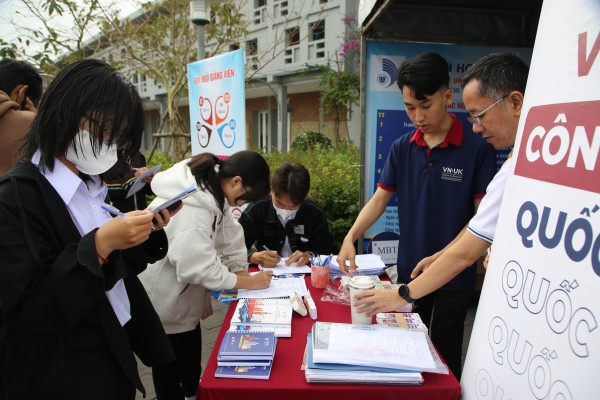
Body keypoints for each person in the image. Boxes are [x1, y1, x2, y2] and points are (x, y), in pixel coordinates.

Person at [0, 59, 177, 400]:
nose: (110, 142)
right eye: (104, 127)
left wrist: (142, 232)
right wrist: (99, 244)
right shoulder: (14, 197)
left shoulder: (92, 184)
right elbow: (29, 309)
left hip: (115, 350)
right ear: (63, 110)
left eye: (119, 133)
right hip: (65, 373)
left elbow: (115, 270)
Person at [351, 52, 529, 374]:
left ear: (447, 96)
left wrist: (408, 289)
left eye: (426, 105)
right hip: (414, 266)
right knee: (405, 349)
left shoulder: (480, 151)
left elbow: (478, 225)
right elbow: (379, 199)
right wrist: (351, 237)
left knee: (444, 354)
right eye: (409, 107)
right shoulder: (403, 147)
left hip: (455, 278)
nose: (418, 116)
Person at [139, 151, 274, 400]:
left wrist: (238, 265)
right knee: (169, 367)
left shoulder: (211, 193)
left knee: (190, 359)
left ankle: (192, 392)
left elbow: (230, 233)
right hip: (164, 300)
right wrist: (248, 282)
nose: (242, 203)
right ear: (235, 181)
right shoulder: (193, 208)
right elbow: (199, 269)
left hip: (182, 301)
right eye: (244, 197)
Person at [239, 162, 334, 267]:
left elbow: (326, 251)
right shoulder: (257, 209)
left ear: (304, 198)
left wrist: (310, 255)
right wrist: (252, 256)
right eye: (279, 203)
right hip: (266, 272)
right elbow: (233, 248)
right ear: (271, 190)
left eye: (293, 206)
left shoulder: (314, 212)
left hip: (303, 272)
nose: (285, 210)